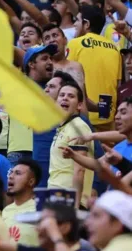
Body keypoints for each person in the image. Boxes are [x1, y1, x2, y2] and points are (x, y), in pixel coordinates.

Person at [67, 4, 121, 132]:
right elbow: (118, 85)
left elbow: (67, 78)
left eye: (78, 20)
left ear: (86, 24)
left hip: (82, 117)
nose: (75, 24)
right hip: (108, 117)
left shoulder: (74, 43)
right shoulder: (115, 49)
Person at [49, 81, 94, 209]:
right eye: (62, 95)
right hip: (56, 197)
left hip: (68, 201)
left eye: (71, 96)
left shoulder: (78, 127)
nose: (65, 98)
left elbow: (80, 170)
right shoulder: (65, 127)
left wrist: (74, 207)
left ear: (79, 105)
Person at [4, 159, 41, 246]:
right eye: (11, 172)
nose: (11, 176)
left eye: (18, 173)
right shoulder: (6, 210)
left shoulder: (39, 210)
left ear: (31, 182)